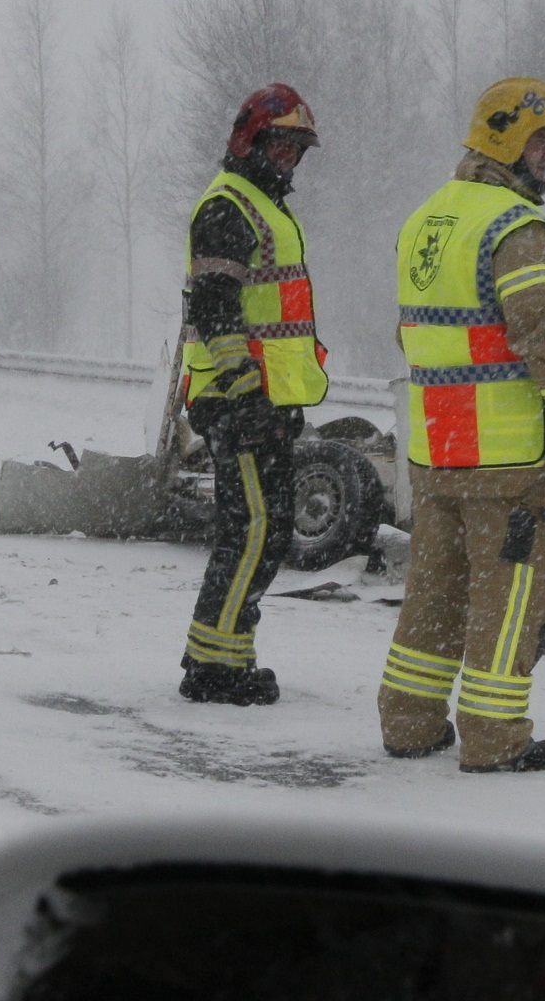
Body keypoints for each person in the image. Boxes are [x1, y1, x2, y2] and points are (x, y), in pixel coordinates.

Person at [378, 78, 545, 772]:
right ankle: (494, 735)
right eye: (542, 141)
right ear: (507, 138)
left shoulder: (427, 220)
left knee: (434, 594)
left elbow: (412, 335)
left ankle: (409, 721)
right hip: (508, 456)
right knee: (507, 600)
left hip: (437, 448)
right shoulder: (516, 228)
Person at [175, 84, 329, 705]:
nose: (290, 160)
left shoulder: (259, 204)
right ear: (253, 141)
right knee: (255, 528)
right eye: (283, 146)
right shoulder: (229, 207)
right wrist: (247, 397)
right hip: (238, 399)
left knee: (261, 528)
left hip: (262, 399)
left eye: (298, 150)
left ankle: (226, 654)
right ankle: (213, 668)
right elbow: (217, 312)